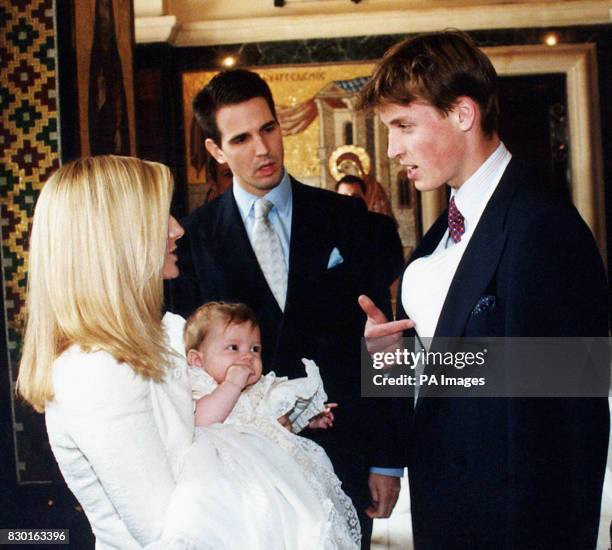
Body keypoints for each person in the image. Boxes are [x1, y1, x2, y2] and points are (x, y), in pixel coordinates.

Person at [356, 31, 609, 549]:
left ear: (463, 114)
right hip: (447, 509)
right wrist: (390, 361)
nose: (391, 149)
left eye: (403, 125)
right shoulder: (446, 227)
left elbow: (572, 392)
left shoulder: (540, 225)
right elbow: (457, 371)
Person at [169, 68, 404, 546]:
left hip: (347, 452)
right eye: (241, 138)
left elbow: (384, 345)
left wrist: (385, 457)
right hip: (244, 472)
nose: (262, 149)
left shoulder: (348, 220)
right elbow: (185, 369)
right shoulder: (192, 242)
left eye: (268, 129)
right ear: (216, 150)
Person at [17, 156, 192, 548]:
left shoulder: (139, 343)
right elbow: (168, 534)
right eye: (161, 215)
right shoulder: (95, 371)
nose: (178, 229)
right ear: (116, 239)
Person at [162, 301, 360, 548]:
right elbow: (201, 421)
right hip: (234, 487)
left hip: (280, 480)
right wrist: (231, 386)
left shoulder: (263, 389)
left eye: (255, 349)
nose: (247, 356)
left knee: (303, 524)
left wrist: (305, 420)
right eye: (233, 348)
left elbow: (275, 426)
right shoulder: (199, 387)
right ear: (197, 360)